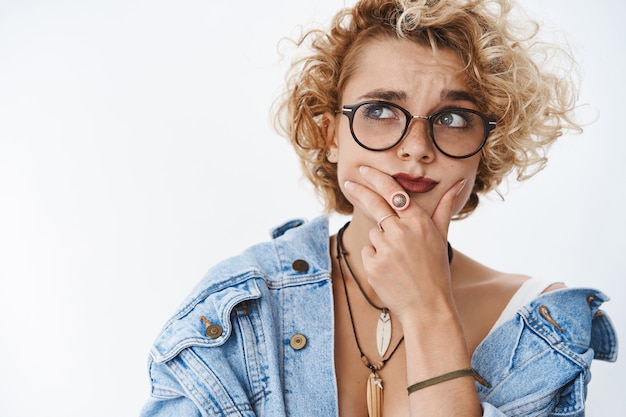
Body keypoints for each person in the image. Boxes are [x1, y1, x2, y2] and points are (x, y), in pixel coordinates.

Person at [140, 0, 617, 416]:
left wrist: (428, 308)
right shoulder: (239, 309)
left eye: (453, 119)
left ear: (485, 148)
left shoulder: (540, 327)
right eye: (380, 111)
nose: (416, 148)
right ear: (329, 135)